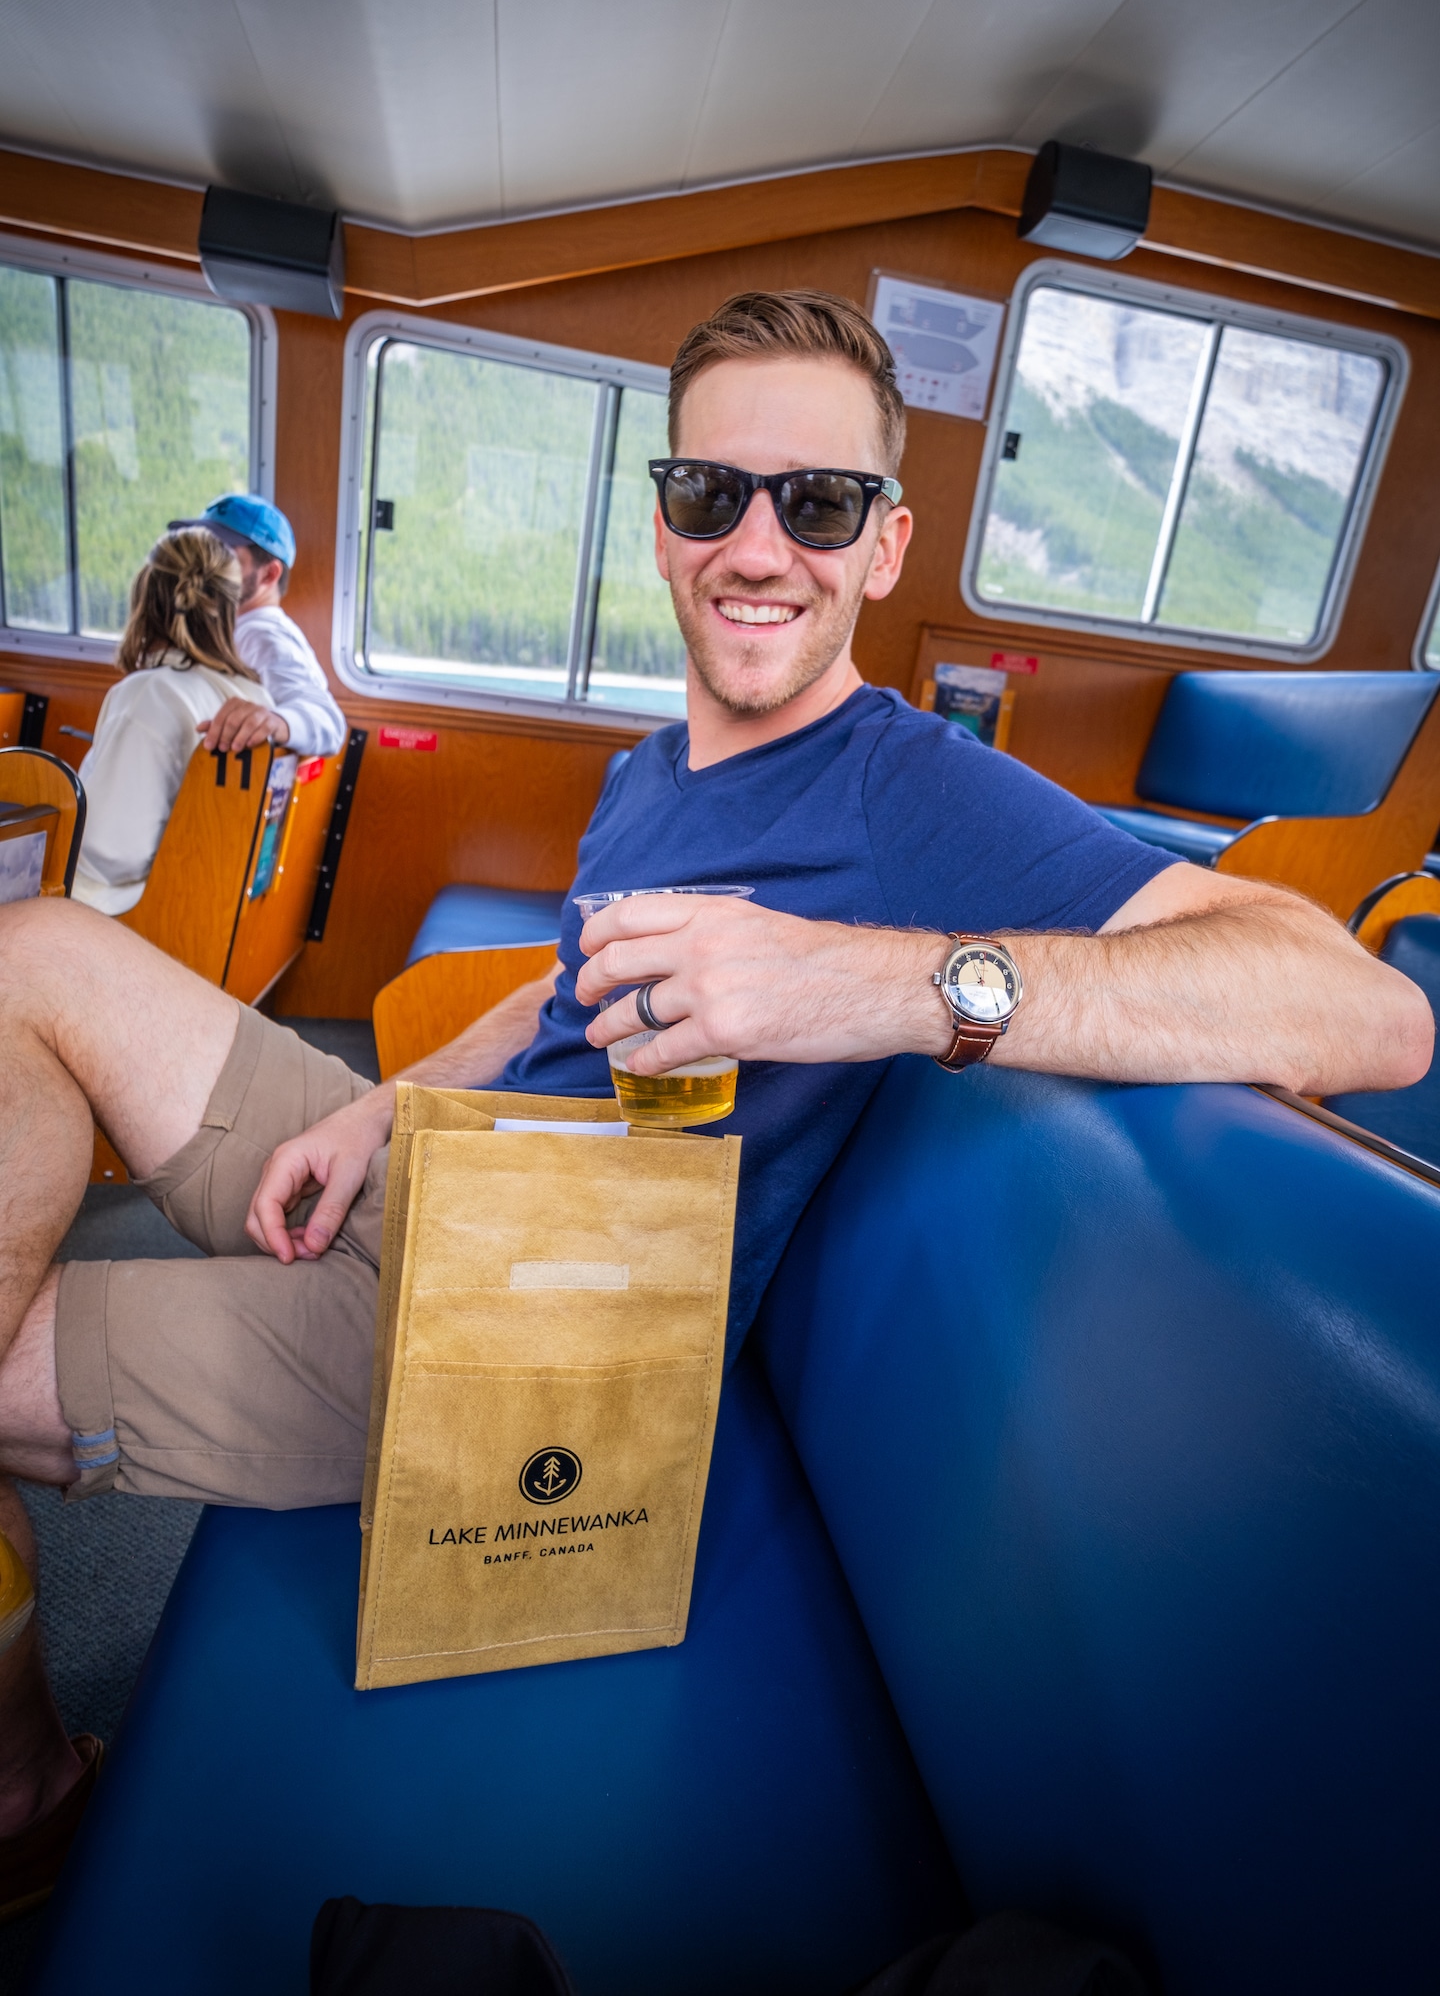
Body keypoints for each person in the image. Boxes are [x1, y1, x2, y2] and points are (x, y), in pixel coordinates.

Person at [0, 289, 1430, 1902]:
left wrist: (862, 981)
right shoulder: (645, 772)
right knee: (34, 949)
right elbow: (563, 995)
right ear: (664, 526)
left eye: (817, 502)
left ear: (885, 545)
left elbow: (1362, 1010)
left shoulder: (907, 789)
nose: (759, 546)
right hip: (441, 1167)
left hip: (535, 1338)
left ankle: (24, 1797)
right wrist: (377, 1106)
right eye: (711, 495)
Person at [69, 530, 277, 916]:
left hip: (132, 915)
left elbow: (109, 852)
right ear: (231, 606)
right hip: (207, 909)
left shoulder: (148, 696)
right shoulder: (255, 699)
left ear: (145, 596)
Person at [169, 493, 347, 761]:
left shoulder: (261, 636)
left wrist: (275, 721)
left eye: (224, 556)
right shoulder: (233, 629)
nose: (205, 568)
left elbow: (329, 723)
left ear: (269, 574)